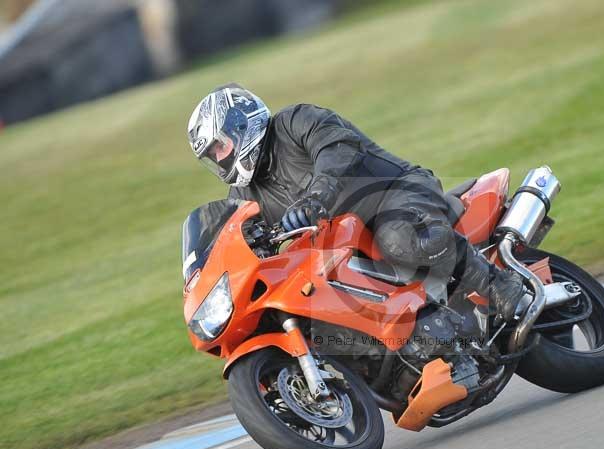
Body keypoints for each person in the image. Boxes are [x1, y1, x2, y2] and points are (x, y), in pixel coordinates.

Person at [187, 83, 529, 322]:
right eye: (211, 155)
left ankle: (498, 284)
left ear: (240, 124)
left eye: (220, 146)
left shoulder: (294, 122)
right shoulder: (245, 195)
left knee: (401, 239)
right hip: (345, 246)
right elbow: (238, 240)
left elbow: (337, 150)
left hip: (396, 193)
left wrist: (316, 198)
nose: (219, 159)